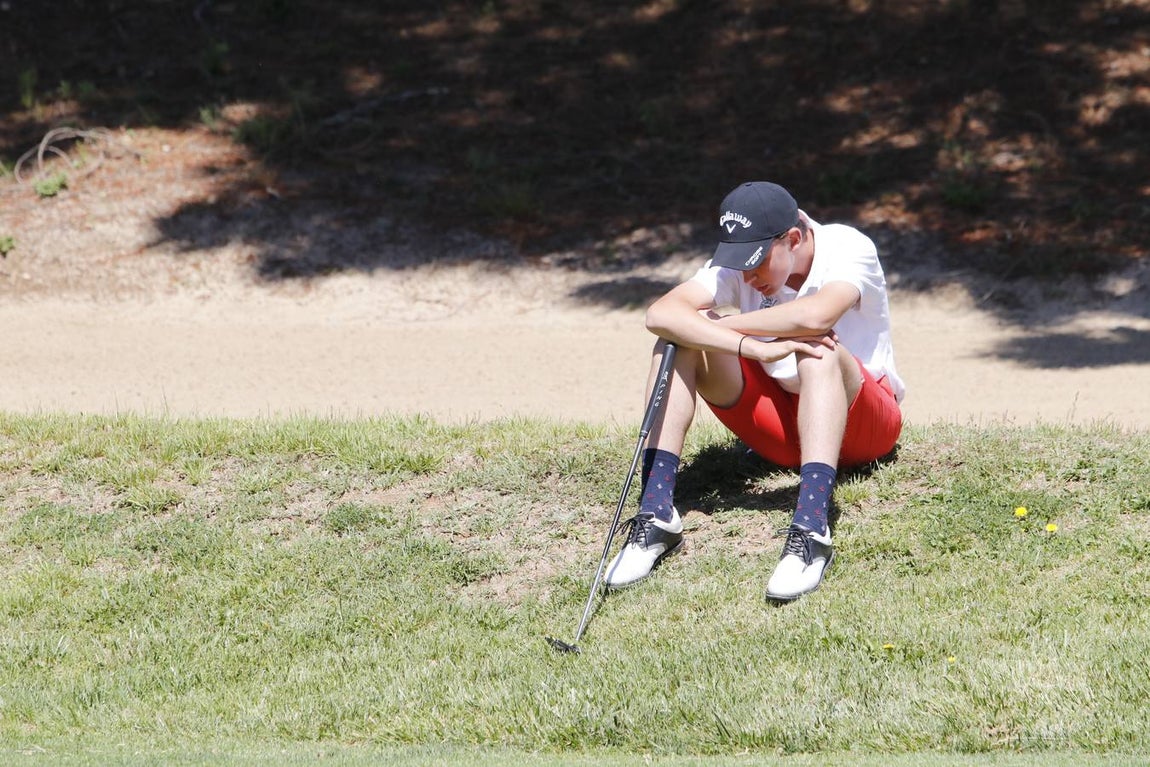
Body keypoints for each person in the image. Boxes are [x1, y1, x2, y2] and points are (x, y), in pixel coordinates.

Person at [604, 181, 905, 601]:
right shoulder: (743, 261)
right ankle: (656, 514)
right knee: (676, 342)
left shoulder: (848, 245)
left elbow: (817, 314)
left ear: (793, 239)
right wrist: (746, 347)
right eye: (740, 263)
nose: (748, 276)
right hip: (785, 433)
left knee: (817, 346)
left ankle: (811, 529)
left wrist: (717, 327)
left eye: (757, 262)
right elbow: (661, 314)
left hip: (866, 427)